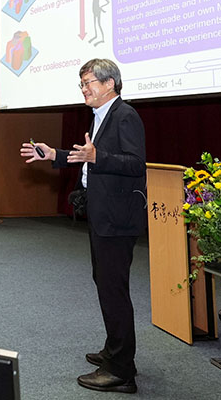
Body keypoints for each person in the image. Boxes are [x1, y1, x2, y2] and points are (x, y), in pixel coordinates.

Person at [19, 58, 146, 394]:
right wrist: (54, 155)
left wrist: (96, 157)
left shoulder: (125, 115)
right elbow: (84, 157)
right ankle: (114, 350)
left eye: (89, 82)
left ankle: (121, 371)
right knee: (105, 284)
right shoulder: (100, 117)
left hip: (118, 219)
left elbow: (136, 164)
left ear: (110, 84)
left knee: (113, 290)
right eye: (82, 83)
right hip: (102, 215)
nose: (84, 89)